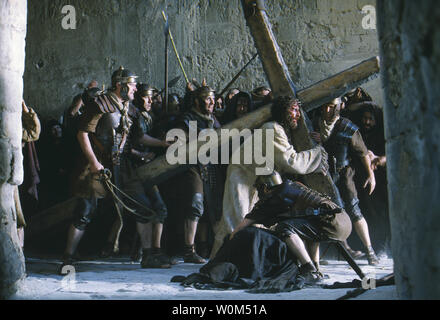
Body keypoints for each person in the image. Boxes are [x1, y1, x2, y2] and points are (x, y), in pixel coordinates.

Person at [58, 66, 169, 272]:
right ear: (120, 85)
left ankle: (148, 256)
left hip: (122, 166)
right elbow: (83, 134)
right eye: (132, 85)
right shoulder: (100, 103)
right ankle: (68, 256)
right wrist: (93, 162)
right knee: (85, 211)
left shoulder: (130, 108)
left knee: (142, 207)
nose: (135, 89)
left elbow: (138, 137)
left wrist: (162, 144)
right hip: (98, 165)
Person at [210, 96, 328, 258]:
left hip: (254, 179)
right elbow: (291, 161)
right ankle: (223, 262)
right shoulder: (271, 129)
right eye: (293, 110)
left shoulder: (279, 130)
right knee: (236, 221)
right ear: (282, 111)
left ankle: (230, 261)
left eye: (298, 111)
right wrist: (318, 154)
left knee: (248, 221)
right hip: (241, 176)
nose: (297, 115)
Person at [230, 171, 351, 284]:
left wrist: (232, 238)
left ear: (265, 187)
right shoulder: (295, 185)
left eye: (260, 188)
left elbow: (245, 224)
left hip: (332, 224)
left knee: (285, 228)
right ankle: (315, 268)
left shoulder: (276, 196)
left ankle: (309, 269)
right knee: (306, 226)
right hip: (343, 220)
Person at [314, 97, 379, 265]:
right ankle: (346, 249)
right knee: (334, 211)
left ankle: (369, 250)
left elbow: (362, 152)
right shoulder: (314, 125)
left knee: (354, 209)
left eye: (331, 107)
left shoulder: (347, 126)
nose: (327, 110)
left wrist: (371, 176)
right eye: (325, 107)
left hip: (344, 175)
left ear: (338, 106)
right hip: (325, 176)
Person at [171, 85, 222, 263]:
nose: (211, 102)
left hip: (210, 165)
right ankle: (188, 250)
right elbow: (178, 142)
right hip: (192, 166)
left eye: (212, 99)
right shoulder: (188, 118)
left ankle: (203, 247)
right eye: (207, 99)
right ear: (197, 101)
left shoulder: (212, 119)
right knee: (195, 205)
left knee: (210, 207)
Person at [15, 100, 41, 249]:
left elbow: (33, 132)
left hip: (9, 180)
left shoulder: (12, 126)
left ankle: (19, 255)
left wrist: (25, 110)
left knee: (17, 219)